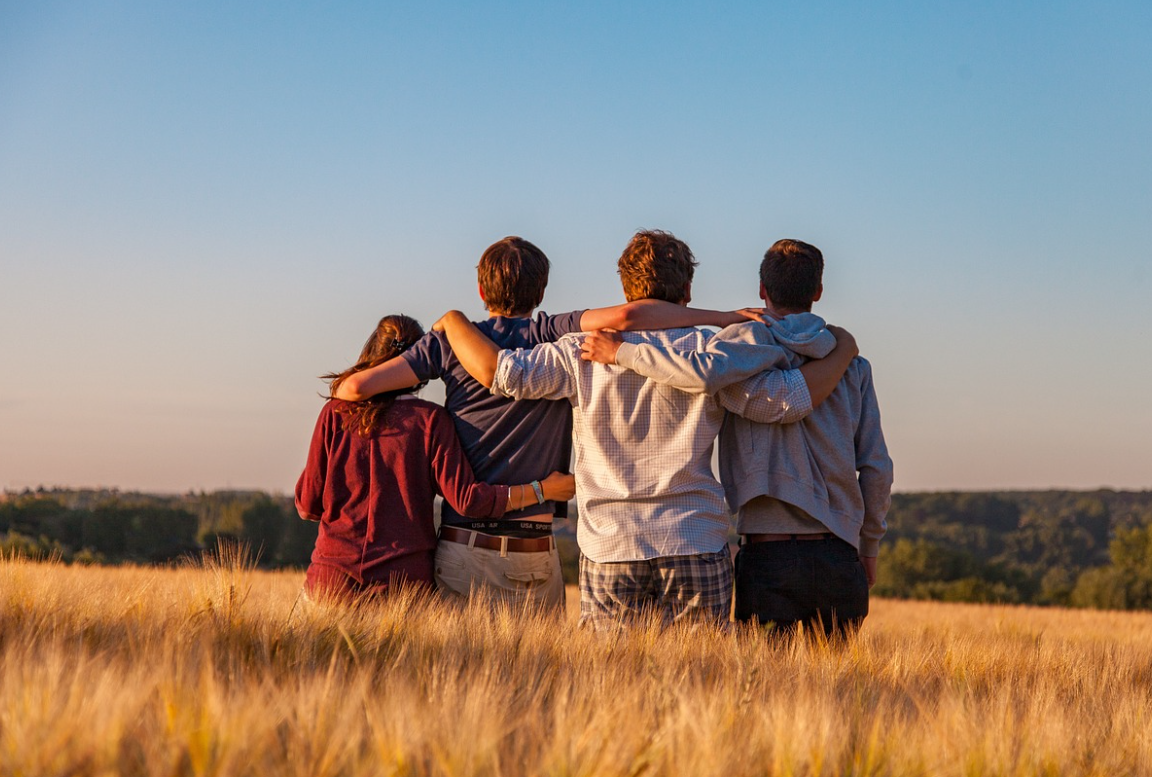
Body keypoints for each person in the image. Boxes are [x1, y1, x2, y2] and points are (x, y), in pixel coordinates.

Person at [433, 230, 859, 629]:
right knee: (701, 675)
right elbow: (784, 402)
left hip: (610, 544)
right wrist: (842, 351)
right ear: (687, 291)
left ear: (625, 291)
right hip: (694, 538)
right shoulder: (712, 353)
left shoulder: (579, 351)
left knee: (612, 676)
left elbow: (504, 374)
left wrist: (454, 322)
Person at [331, 236, 762, 611]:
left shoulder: (449, 342)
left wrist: (447, 326)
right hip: (535, 547)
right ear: (541, 291)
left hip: (464, 544)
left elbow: (353, 389)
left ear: (481, 289)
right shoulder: (553, 333)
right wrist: (722, 318)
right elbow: (629, 318)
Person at [583, 239, 893, 636]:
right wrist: (869, 546)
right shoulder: (852, 365)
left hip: (767, 553)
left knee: (764, 674)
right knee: (837, 677)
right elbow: (876, 467)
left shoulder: (736, 351)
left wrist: (622, 352)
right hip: (839, 553)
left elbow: (700, 373)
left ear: (762, 289)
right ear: (817, 291)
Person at [294, 313, 575, 604]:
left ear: (371, 353)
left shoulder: (335, 413)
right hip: (404, 588)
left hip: (330, 582)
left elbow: (308, 504)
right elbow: (468, 500)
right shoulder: (430, 421)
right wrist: (543, 490)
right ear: (420, 365)